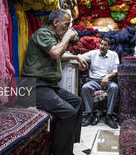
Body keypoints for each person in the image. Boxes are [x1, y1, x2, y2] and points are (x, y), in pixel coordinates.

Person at [19, 9, 88, 155]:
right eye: (66, 24)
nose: (68, 28)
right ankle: (61, 153)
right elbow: (56, 52)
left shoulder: (53, 38)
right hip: (34, 87)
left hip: (48, 86)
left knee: (77, 102)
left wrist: (75, 57)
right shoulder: (42, 33)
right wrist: (68, 36)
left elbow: (59, 55)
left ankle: (68, 146)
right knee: (68, 112)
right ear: (55, 22)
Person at [79, 37, 119, 129]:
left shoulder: (114, 55)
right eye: (101, 44)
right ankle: (89, 114)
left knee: (114, 87)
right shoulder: (93, 53)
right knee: (85, 87)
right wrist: (82, 64)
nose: (102, 46)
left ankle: (109, 116)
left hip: (107, 81)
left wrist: (107, 77)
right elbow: (79, 57)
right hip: (94, 81)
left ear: (109, 47)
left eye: (105, 45)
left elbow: (116, 71)